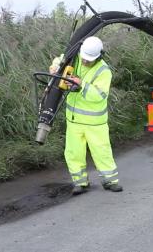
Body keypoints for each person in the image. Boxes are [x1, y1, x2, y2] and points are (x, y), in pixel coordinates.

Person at [49, 36, 123, 195]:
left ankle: (111, 181)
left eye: (88, 60)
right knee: (73, 153)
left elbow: (99, 95)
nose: (84, 62)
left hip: (95, 123)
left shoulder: (103, 71)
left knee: (102, 152)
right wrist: (55, 67)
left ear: (98, 57)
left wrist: (81, 84)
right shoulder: (75, 57)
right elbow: (59, 60)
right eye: (83, 58)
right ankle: (80, 183)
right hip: (74, 120)